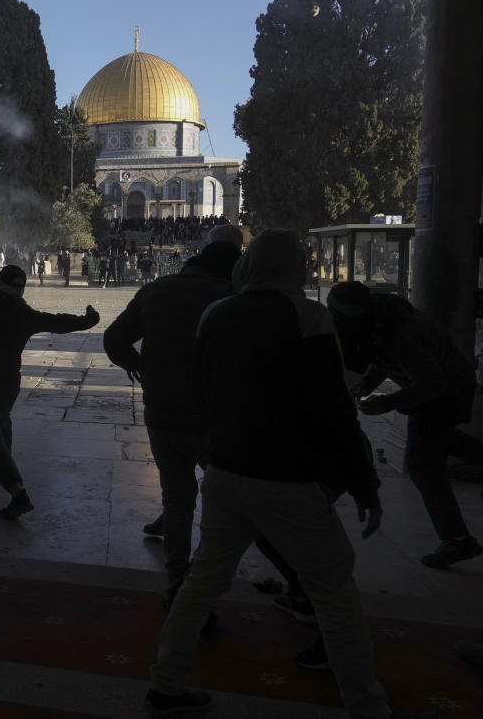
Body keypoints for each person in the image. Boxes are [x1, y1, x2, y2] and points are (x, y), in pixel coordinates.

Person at [147, 229, 437, 719]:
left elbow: (203, 393)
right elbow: (333, 409)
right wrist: (363, 482)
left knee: (201, 581)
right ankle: (367, 703)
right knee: (334, 591)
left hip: (226, 469)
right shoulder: (308, 317)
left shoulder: (216, 313)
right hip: (286, 477)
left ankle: (166, 683)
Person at [103, 240, 239, 605]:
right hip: (213, 418)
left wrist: (139, 366)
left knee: (177, 498)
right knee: (225, 500)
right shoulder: (232, 295)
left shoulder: (155, 290)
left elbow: (114, 338)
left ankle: (176, 577)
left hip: (162, 410)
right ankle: (204, 579)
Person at [327, 280, 483, 569]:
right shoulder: (378, 319)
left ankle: (457, 539)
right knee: (440, 439)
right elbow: (383, 358)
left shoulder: (399, 333)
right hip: (444, 386)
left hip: (446, 391)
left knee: (422, 464)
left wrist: (386, 403)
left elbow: (432, 381)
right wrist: (367, 383)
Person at [0, 265, 97, 519]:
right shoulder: (24, 314)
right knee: (2, 420)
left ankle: (17, 491)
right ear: (21, 290)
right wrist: (88, 320)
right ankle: (5, 464)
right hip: (8, 381)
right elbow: (58, 322)